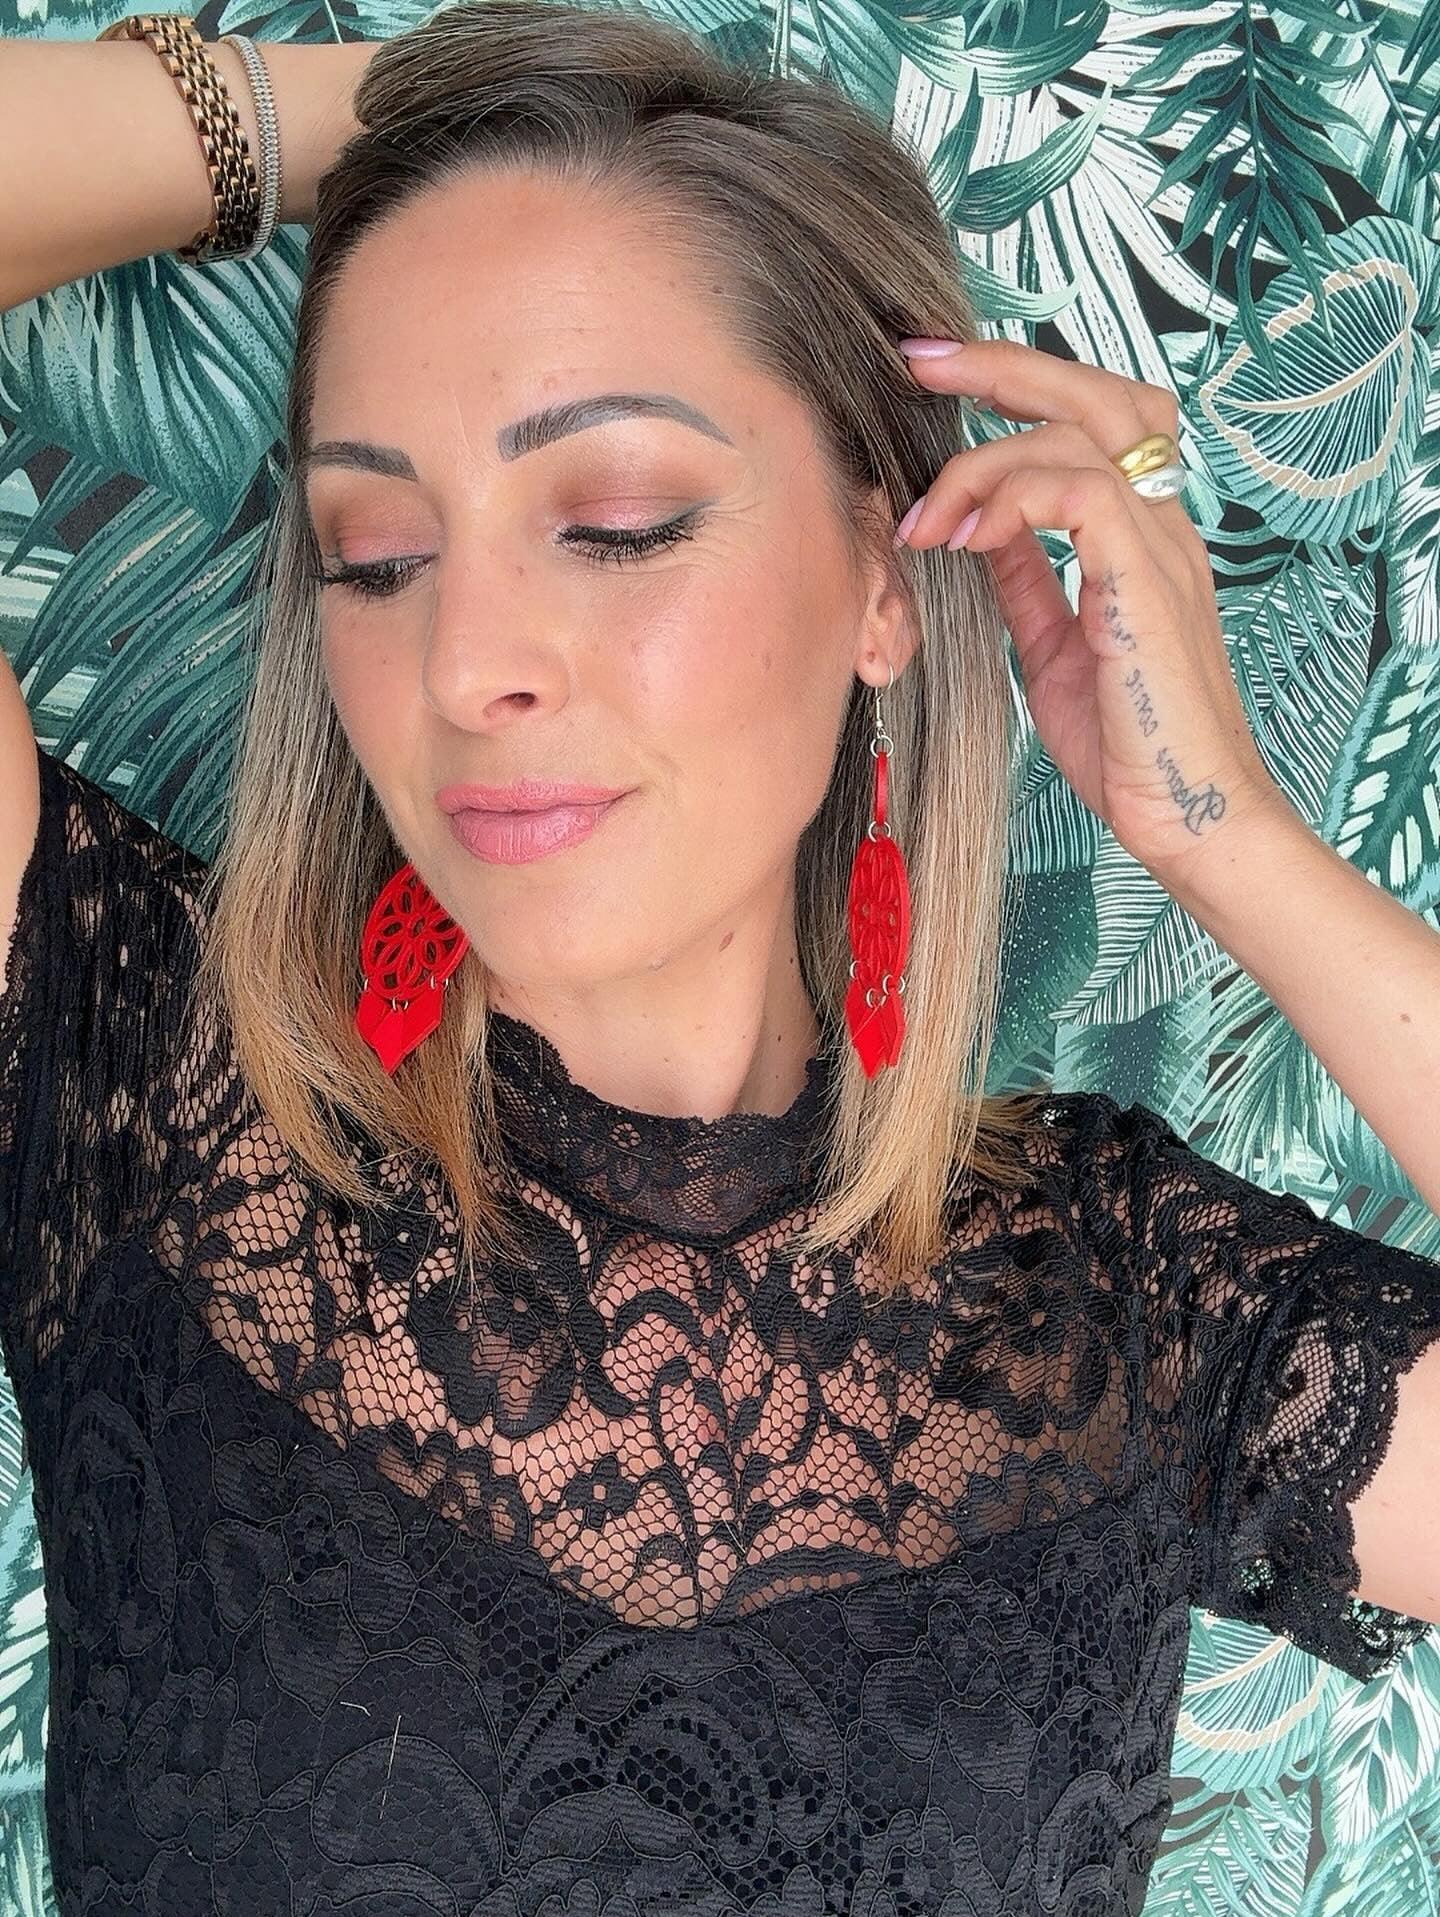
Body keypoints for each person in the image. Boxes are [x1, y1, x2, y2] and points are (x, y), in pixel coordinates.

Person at [1, 4, 1438, 1911]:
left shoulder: (1116, 1301)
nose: (465, 664)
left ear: (881, 575)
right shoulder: (142, 1084)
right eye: (377, 553)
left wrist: (1226, 831)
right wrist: (448, 119)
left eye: (614, 522)